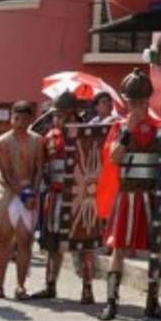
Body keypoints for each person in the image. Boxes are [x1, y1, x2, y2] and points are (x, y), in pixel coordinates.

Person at [99, 69, 161, 321]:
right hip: (128, 193)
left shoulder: (160, 127)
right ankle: (111, 301)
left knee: (156, 250)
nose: (136, 106)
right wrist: (127, 131)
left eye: (140, 102)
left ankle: (152, 302)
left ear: (147, 101)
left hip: (152, 195)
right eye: (132, 102)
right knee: (118, 248)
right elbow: (114, 158)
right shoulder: (119, 127)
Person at [30, 92, 95, 303]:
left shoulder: (86, 136)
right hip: (55, 194)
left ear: (72, 114)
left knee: (84, 244)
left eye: (61, 114)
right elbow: (33, 133)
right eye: (56, 115)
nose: (57, 119)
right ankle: (50, 285)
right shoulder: (50, 136)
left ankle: (87, 289)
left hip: (79, 197)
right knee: (52, 245)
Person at [0, 100, 42, 301]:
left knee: (25, 240)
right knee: (3, 238)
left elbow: (38, 169)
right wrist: (22, 193)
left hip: (28, 193)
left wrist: (33, 193)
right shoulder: (2, 141)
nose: (19, 122)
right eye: (16, 118)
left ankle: (20, 286)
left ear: (30, 119)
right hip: (7, 192)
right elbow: (6, 171)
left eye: (23, 118)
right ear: (11, 118)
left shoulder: (37, 141)